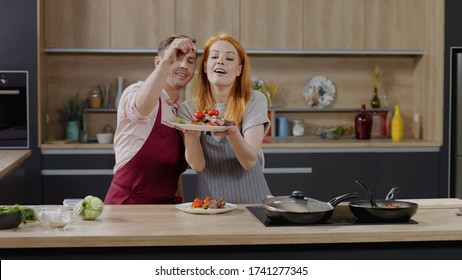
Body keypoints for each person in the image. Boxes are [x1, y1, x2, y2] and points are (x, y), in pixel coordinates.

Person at [177, 33, 271, 204]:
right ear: (205, 67)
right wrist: (190, 135)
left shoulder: (254, 100)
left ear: (239, 70)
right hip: (212, 203)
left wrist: (233, 133)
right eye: (214, 56)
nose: (220, 61)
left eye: (229, 58)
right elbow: (197, 165)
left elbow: (249, 161)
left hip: (253, 202)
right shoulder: (188, 109)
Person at [104, 35, 198, 204]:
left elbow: (174, 171)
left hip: (166, 208)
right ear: (158, 62)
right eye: (177, 58)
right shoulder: (137, 91)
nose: (184, 65)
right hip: (127, 206)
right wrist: (168, 60)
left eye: (190, 61)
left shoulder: (183, 110)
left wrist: (180, 201)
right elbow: (141, 109)